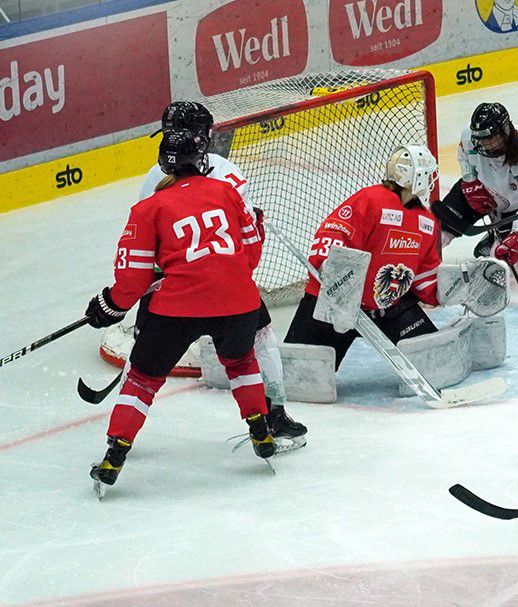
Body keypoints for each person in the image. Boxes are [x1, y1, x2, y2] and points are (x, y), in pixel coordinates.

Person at [86, 129, 275, 496]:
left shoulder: (148, 208)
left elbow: (134, 277)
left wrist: (109, 306)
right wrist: (225, 276)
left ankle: (115, 455)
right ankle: (261, 430)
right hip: (239, 302)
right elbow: (251, 251)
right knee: (240, 362)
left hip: (178, 309)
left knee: (142, 379)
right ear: (200, 160)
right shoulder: (227, 192)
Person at [136, 101, 307, 448]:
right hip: (230, 285)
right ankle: (273, 416)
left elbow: (144, 240)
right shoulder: (230, 173)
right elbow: (247, 247)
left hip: (173, 287)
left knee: (143, 360)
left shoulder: (157, 176)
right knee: (260, 340)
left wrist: (140, 287)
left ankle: (121, 436)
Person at [284, 145, 442, 369]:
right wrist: (332, 271)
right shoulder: (371, 200)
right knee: (300, 372)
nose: (431, 180)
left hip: (389, 307)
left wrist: (449, 288)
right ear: (414, 177)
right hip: (336, 304)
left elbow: (425, 274)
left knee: (434, 361)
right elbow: (334, 233)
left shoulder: (427, 222)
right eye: (428, 175)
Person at [432, 102, 518, 268]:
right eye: (483, 140)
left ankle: (496, 235)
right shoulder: (469, 136)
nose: (487, 145)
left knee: (506, 259)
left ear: (506, 131)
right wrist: (470, 182)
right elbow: (464, 156)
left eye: (492, 139)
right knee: (439, 230)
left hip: (513, 207)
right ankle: (417, 262)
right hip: (481, 188)